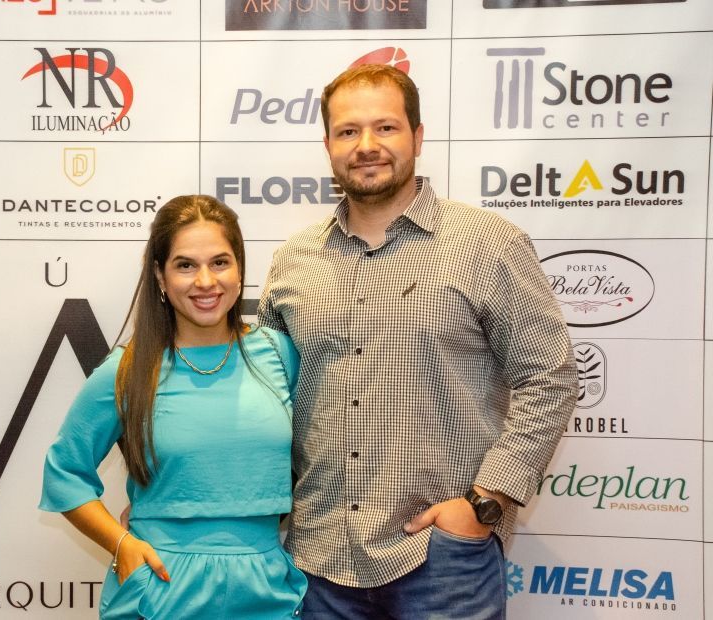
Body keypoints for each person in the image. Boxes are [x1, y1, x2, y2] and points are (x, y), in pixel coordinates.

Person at [258, 64, 577, 618]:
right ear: (328, 146)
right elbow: (263, 397)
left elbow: (549, 377)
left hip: (442, 561)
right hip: (318, 561)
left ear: (418, 136)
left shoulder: (488, 244)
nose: (367, 145)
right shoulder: (294, 260)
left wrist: (485, 503)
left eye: (385, 127)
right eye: (348, 131)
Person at [40, 195, 306, 619]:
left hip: (266, 589)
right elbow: (64, 474)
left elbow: (326, 458)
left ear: (239, 270)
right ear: (160, 277)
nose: (206, 281)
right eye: (185, 265)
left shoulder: (279, 354)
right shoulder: (129, 370)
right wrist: (123, 545)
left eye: (220, 262)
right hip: (161, 587)